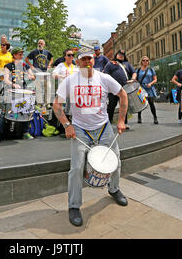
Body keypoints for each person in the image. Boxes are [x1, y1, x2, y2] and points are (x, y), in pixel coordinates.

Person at [52, 47, 129, 227]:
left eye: (89, 59)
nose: (87, 62)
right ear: (77, 62)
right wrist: (67, 125)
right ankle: (74, 206)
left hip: (103, 128)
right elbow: (57, 105)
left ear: (94, 60)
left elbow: (123, 95)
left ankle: (114, 189)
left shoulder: (104, 78)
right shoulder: (70, 81)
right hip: (80, 130)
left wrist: (121, 120)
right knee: (77, 167)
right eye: (83, 59)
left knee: (115, 160)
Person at [0, 47, 35, 144]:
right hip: (10, 92)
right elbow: (6, 79)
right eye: (19, 54)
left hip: (22, 92)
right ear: (14, 55)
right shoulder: (8, 66)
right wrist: (13, 84)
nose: (21, 56)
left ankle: (25, 132)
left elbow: (32, 76)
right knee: (4, 114)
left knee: (25, 112)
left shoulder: (25, 66)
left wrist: (31, 76)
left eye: (22, 54)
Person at [103, 50, 137, 129]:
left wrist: (132, 79)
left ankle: (124, 123)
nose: (121, 56)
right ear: (116, 55)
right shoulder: (110, 63)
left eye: (123, 55)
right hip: (113, 89)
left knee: (124, 106)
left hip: (125, 89)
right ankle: (108, 123)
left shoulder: (127, 64)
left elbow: (134, 72)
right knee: (111, 106)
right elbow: (105, 74)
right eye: (119, 54)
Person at [135, 56, 159, 124]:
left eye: (147, 60)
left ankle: (155, 117)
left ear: (148, 62)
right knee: (140, 103)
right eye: (144, 60)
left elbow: (155, 79)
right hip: (141, 89)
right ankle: (139, 117)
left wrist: (150, 84)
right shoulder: (138, 70)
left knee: (151, 103)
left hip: (149, 89)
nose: (145, 62)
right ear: (141, 61)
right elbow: (135, 79)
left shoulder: (151, 69)